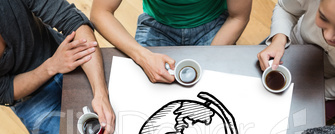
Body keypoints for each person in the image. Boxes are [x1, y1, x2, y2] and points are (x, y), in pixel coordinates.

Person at [0, 0, 115, 134]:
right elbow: (5, 90)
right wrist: (51, 66)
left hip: (63, 53)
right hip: (30, 97)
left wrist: (100, 93)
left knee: (118, 105)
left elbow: (72, 21)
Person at [257, 0, 335, 122]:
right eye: (323, 17)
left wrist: (318, 91)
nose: (328, 36)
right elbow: (286, 8)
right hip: (290, 48)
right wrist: (279, 39)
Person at [90, 0, 252, 83]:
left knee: (219, 86)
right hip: (157, 24)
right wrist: (143, 57)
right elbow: (100, 13)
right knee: (142, 87)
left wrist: (210, 59)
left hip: (212, 24)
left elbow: (238, 17)